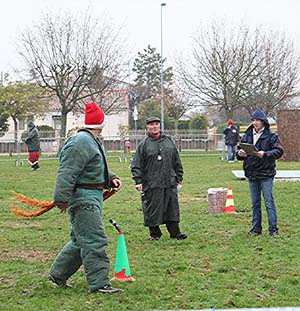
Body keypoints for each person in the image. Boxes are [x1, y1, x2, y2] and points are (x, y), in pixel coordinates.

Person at [48, 102, 123, 294]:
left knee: (80, 240)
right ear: (102, 122)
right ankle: (100, 284)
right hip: (84, 200)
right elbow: (67, 172)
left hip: (91, 197)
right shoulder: (81, 141)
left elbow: (93, 168)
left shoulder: (89, 140)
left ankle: (58, 274)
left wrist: (111, 178)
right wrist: (61, 199)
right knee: (95, 240)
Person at [130, 117, 187, 241]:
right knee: (153, 207)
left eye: (156, 124)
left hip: (169, 181)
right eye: (151, 125)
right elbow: (137, 164)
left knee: (172, 207)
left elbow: (176, 160)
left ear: (160, 126)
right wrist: (138, 180)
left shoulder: (168, 141)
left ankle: (175, 232)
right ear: (147, 128)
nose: (154, 127)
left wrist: (179, 176)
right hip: (152, 182)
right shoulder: (144, 145)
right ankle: (155, 233)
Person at [236, 109, 284, 237]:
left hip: (266, 174)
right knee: (255, 203)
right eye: (253, 120)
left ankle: (273, 229)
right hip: (252, 173)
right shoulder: (247, 135)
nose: (255, 122)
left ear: (263, 122)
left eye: (257, 120)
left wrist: (264, 154)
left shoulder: (272, 135)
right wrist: (240, 154)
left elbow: (278, 151)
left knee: (269, 202)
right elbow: (239, 151)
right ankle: (256, 228)